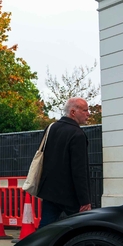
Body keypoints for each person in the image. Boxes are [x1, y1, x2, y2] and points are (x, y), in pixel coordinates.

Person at [37, 97, 92, 228]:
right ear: (73, 112)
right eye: (85, 110)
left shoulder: (51, 128)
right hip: (70, 194)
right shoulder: (78, 135)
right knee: (82, 227)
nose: (88, 114)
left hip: (49, 190)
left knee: (45, 227)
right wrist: (85, 200)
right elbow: (79, 170)